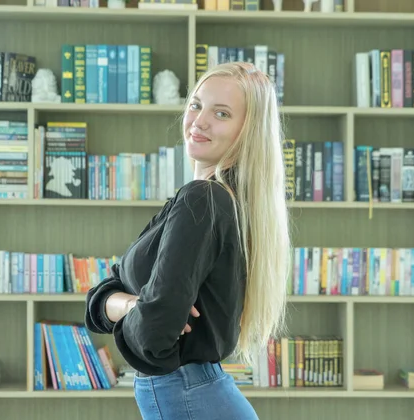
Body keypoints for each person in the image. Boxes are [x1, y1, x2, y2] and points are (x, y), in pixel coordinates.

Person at [84, 61, 291, 419]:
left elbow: (153, 336)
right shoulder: (199, 201)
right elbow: (102, 295)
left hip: (190, 398)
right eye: (196, 105)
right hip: (199, 397)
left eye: (221, 113)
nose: (200, 121)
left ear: (248, 131)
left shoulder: (204, 199)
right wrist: (135, 306)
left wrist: (132, 307)